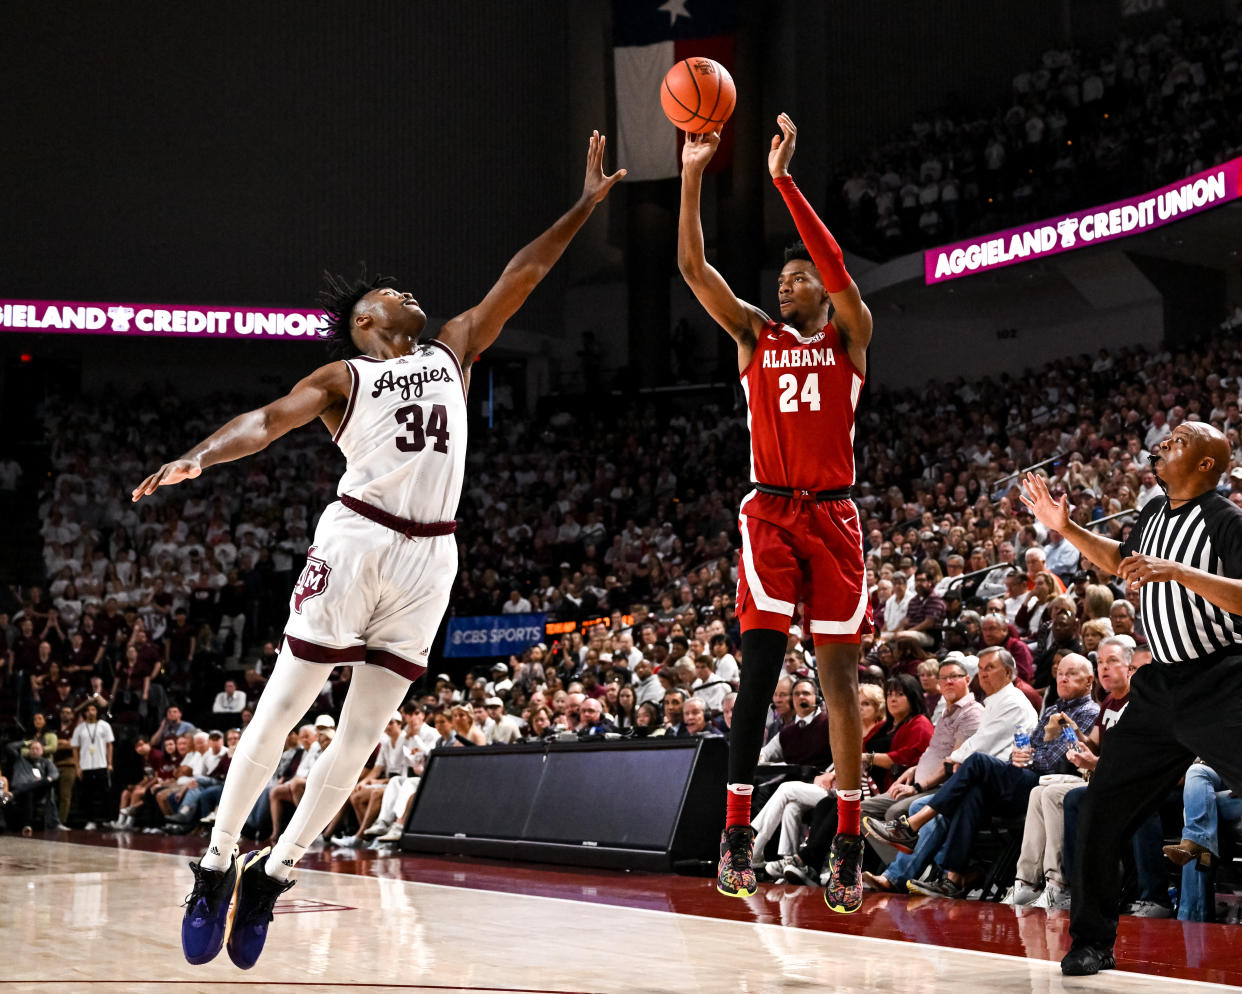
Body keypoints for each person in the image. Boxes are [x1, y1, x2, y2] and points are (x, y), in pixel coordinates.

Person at [136, 132, 624, 970]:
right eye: (393, 291)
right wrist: (201, 456)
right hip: (357, 539)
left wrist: (584, 207)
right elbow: (265, 422)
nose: (410, 292)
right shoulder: (341, 377)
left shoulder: (454, 349)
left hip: (432, 558)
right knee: (283, 708)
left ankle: (275, 871)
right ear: (369, 320)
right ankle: (216, 861)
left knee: (363, 733)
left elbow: (525, 275)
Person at [678, 112, 874, 913]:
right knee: (758, 668)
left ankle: (852, 843)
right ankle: (733, 830)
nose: (785, 285)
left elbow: (835, 269)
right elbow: (693, 268)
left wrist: (785, 182)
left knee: (838, 681)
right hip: (768, 514)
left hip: (833, 518)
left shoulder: (849, 337)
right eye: (782, 279)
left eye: (798, 279)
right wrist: (693, 171)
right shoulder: (755, 336)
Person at [1021, 423, 1242, 976]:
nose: (1165, 442)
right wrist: (1066, 527)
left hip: (1222, 682)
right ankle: (1091, 941)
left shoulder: (1226, 521)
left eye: (1180, 440)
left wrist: (1180, 573)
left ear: (1207, 465)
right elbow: (1118, 556)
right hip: (1158, 687)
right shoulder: (1150, 514)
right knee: (1098, 809)